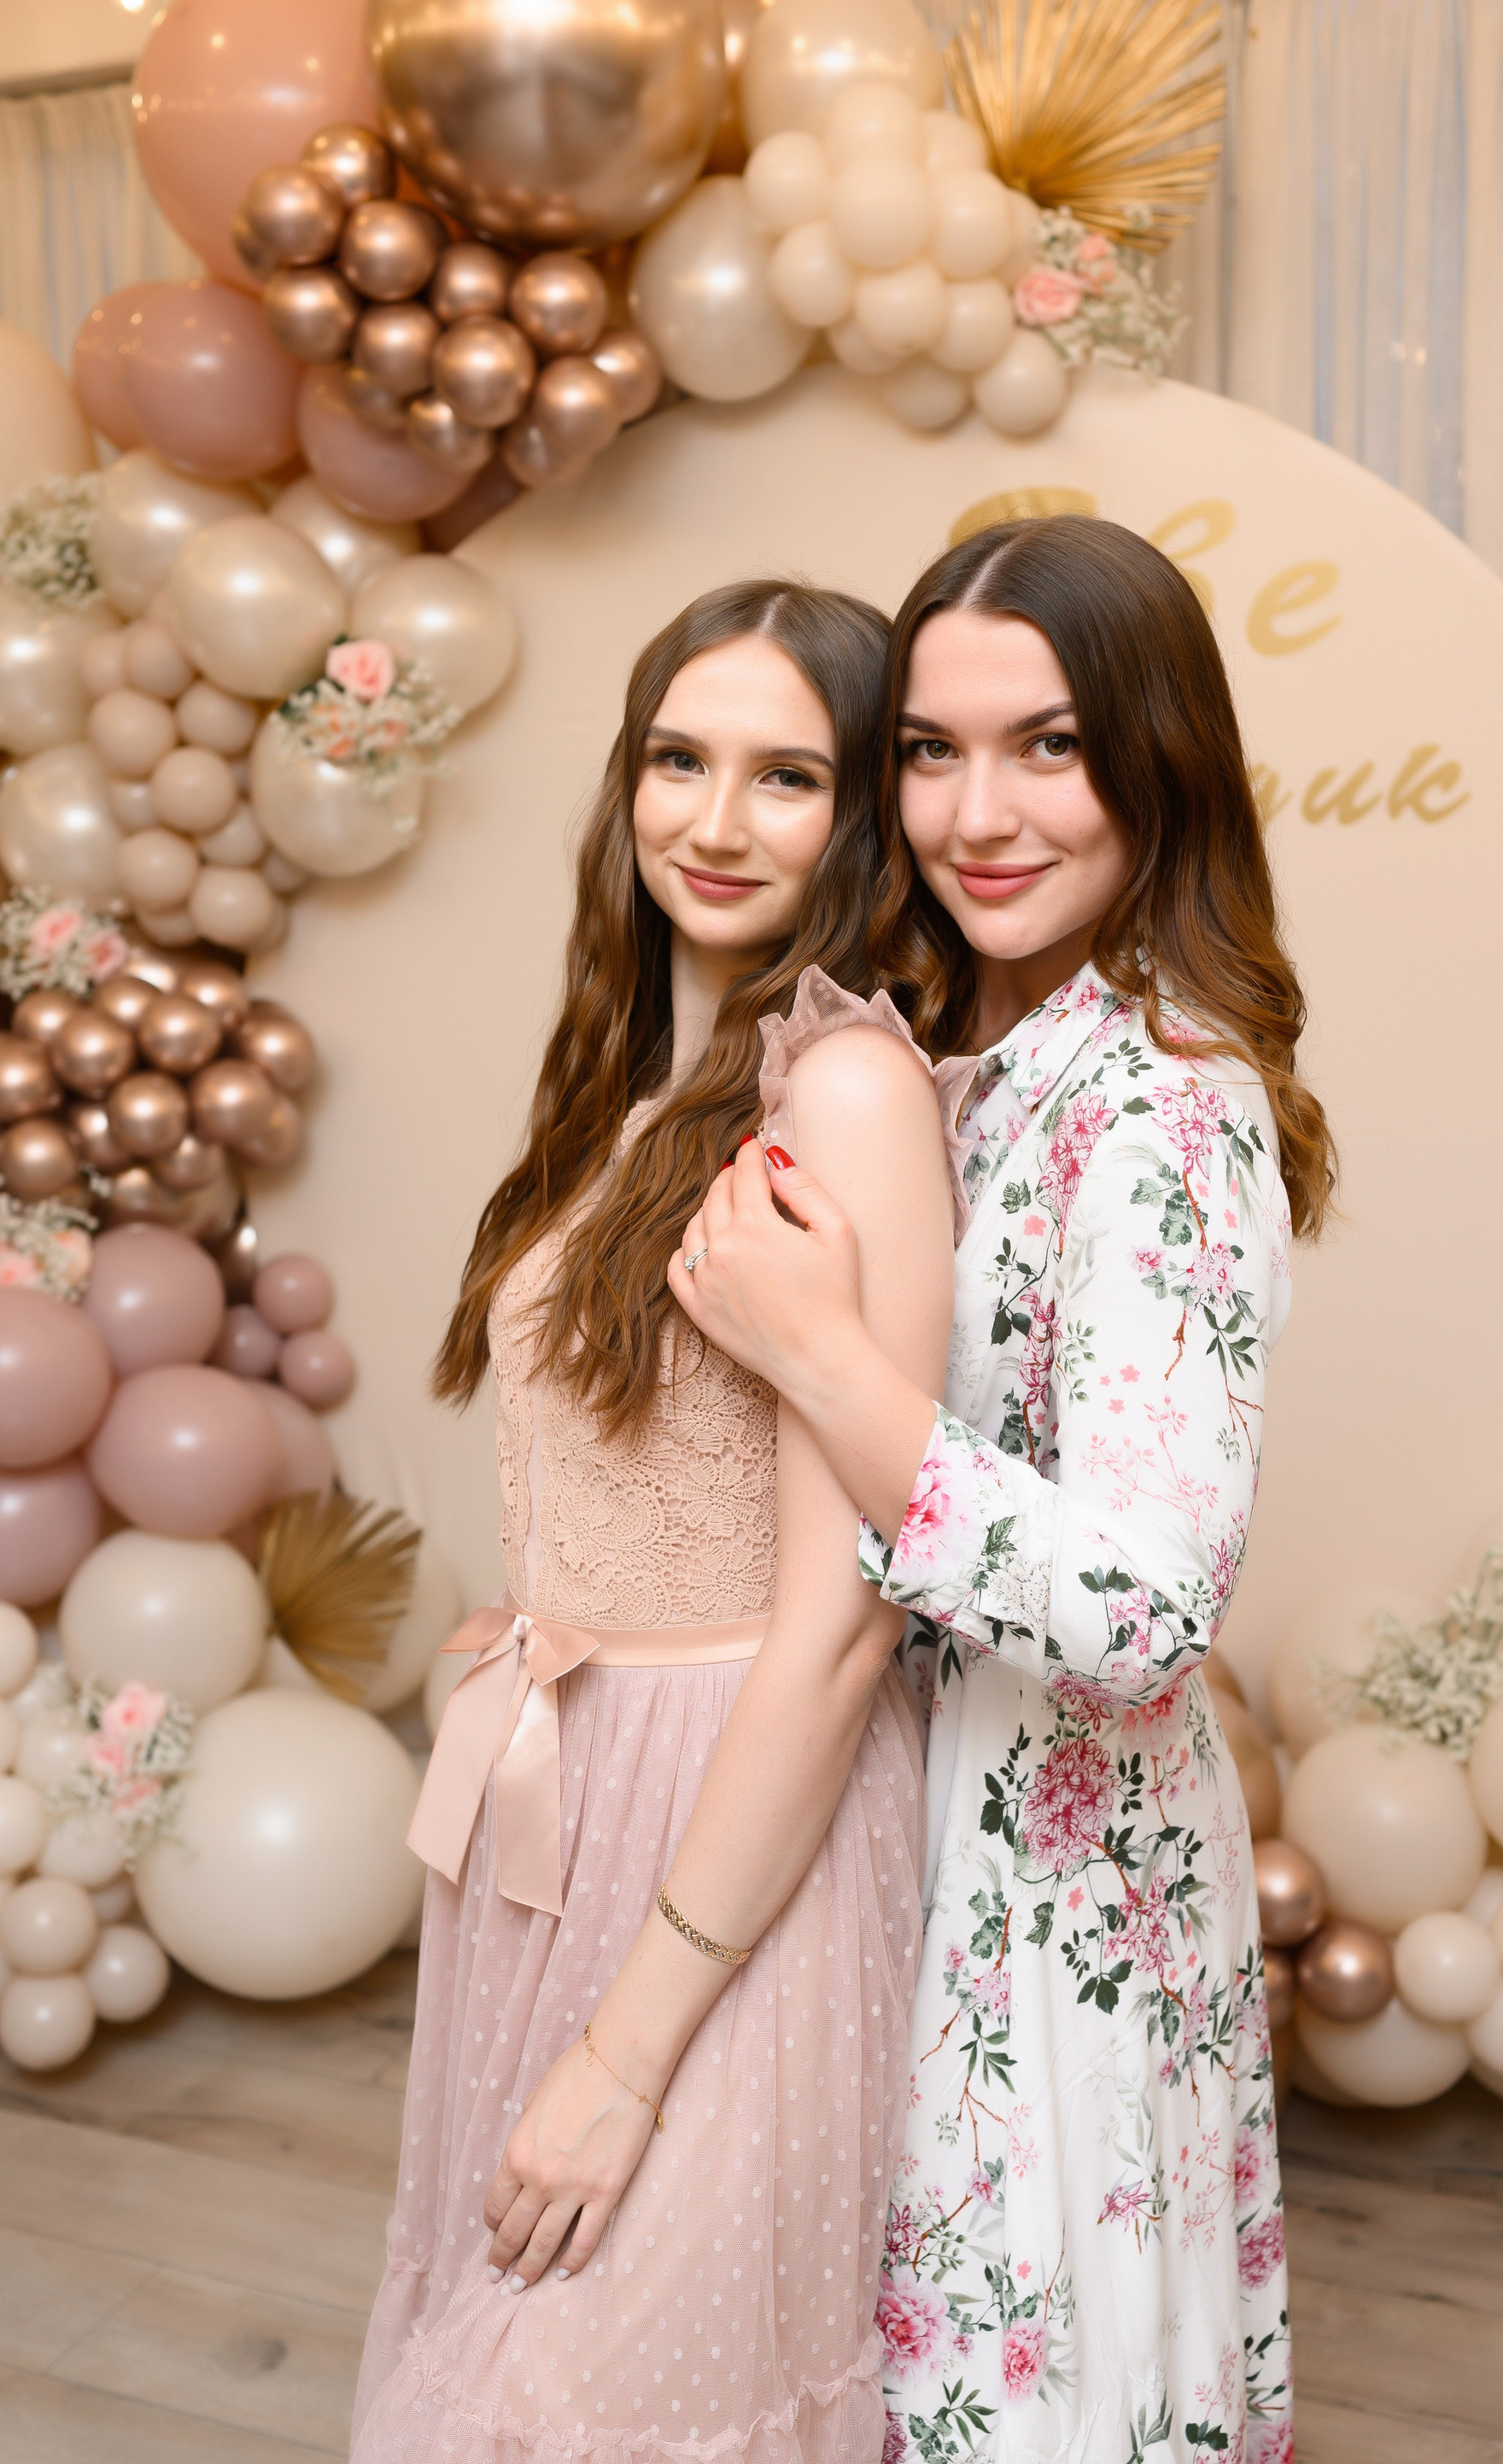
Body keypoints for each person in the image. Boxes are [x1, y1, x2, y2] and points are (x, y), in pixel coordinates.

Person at [668, 516, 1336, 2464]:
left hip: (1056, 1907)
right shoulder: (978, 1045)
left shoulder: (1165, 1103)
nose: (979, 813)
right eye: (929, 751)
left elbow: (1140, 1617)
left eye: (1049, 745)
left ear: (1158, 752)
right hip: (915, 1838)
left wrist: (826, 1358)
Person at [352, 580, 966, 2461]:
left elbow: (846, 1619)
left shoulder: (843, 1087)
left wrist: (627, 2055)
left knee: (584, 2396)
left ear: (863, 815)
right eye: (677, 760)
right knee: (503, 2338)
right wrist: (556, 1606)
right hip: (574, 1785)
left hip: (737, 1804)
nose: (713, 820)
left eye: (786, 776)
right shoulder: (643, 1081)